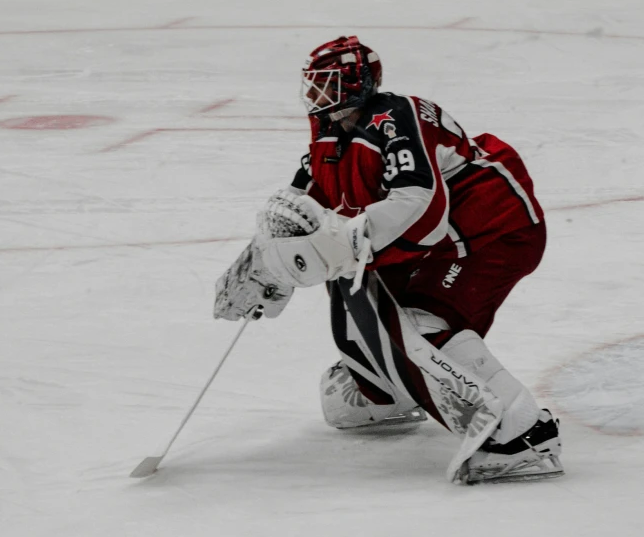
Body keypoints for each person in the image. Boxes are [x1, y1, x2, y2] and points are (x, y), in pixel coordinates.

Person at [213, 36, 561, 485]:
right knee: (350, 297)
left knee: (422, 322)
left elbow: (421, 205)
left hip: (492, 233)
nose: (315, 97)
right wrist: (259, 265)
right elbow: (301, 207)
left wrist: (338, 244)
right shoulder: (330, 130)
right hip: (436, 240)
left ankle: (521, 433)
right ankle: (386, 392)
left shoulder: (396, 117)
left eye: (327, 86)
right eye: (312, 86)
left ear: (357, 84)